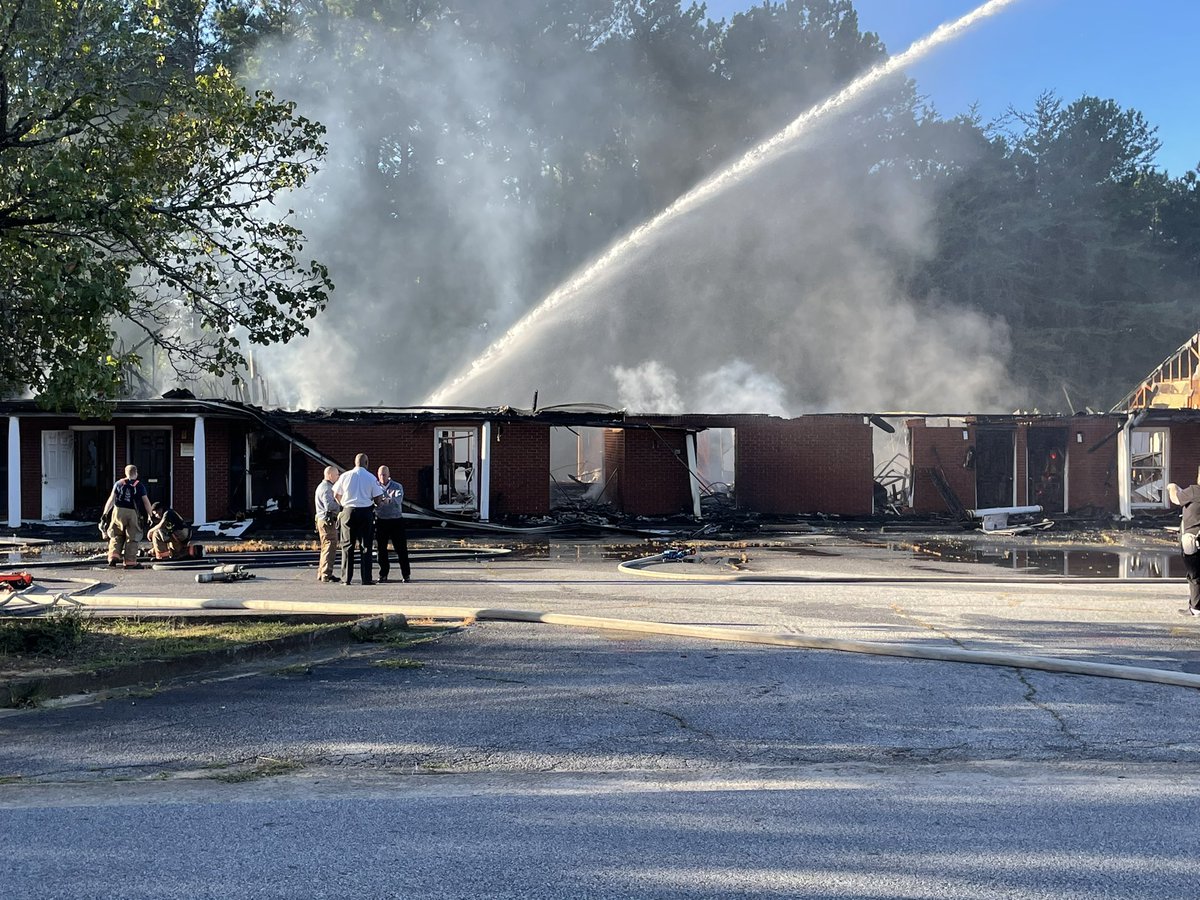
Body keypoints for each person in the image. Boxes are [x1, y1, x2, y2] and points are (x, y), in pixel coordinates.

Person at [332, 453, 383, 585]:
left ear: (355, 462)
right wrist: (377, 502)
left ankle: (346, 578)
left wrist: (343, 504)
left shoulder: (345, 476)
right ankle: (366, 578)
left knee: (347, 545)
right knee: (366, 546)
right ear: (367, 463)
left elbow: (336, 494)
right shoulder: (371, 478)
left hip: (348, 511)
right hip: (365, 512)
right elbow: (378, 498)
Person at [100, 464, 154, 568]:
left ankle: (113, 556)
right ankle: (130, 562)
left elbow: (111, 499)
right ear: (136, 473)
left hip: (118, 511)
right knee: (132, 537)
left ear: (125, 473)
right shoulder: (139, 485)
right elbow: (146, 502)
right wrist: (150, 515)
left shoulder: (118, 484)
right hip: (132, 513)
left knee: (116, 534)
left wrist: (105, 514)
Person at [1168, 473, 1200, 617]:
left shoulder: (1194, 491)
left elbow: (1176, 498)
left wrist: (1172, 487)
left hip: (1194, 540)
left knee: (1194, 575)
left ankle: (1195, 608)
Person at [375, 465, 411, 584]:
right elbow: (373, 501)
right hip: (381, 520)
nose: (382, 477)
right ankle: (383, 574)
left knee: (401, 549)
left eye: (384, 474)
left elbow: (397, 501)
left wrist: (384, 500)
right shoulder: (375, 486)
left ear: (388, 474)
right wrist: (384, 501)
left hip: (396, 520)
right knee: (381, 549)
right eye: (380, 475)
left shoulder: (397, 486)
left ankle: (406, 574)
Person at [314, 465, 341, 583]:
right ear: (330, 475)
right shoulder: (327, 488)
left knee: (325, 547)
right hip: (327, 521)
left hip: (321, 520)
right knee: (330, 546)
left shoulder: (322, 486)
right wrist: (341, 504)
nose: (338, 477)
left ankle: (321, 572)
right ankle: (326, 573)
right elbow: (329, 506)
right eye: (337, 475)